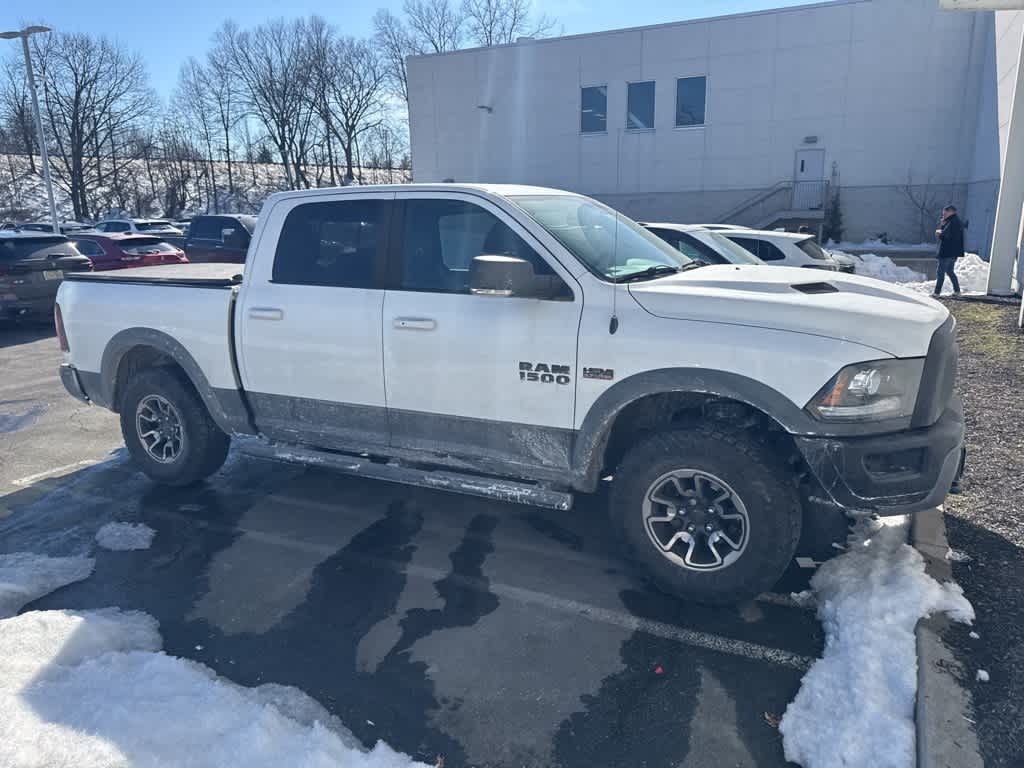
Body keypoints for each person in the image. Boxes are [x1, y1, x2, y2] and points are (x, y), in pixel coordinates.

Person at [933, 205, 964, 297]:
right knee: (950, 271)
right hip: (954, 252)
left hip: (946, 252)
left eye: (945, 213)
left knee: (940, 272)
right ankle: (957, 290)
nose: (944, 215)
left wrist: (939, 233)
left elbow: (945, 236)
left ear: (951, 212)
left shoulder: (952, 222)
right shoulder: (957, 221)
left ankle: (937, 292)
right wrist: (943, 226)